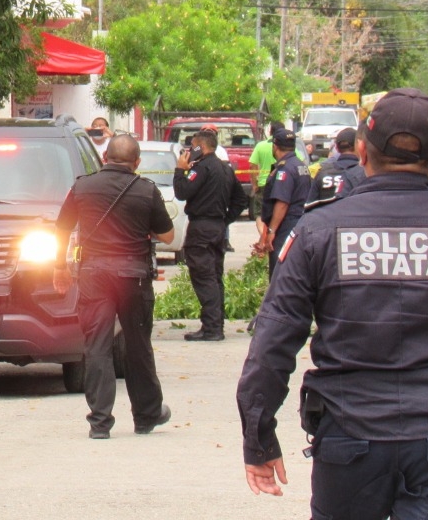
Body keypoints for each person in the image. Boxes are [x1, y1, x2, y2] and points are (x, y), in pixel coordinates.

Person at [236, 88, 428, 520]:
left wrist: (259, 436)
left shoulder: (319, 229)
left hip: (349, 439)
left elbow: (272, 341)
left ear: (363, 152)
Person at [53, 134, 174, 439]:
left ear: (104, 156)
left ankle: (100, 422)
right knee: (137, 344)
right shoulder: (146, 190)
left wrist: (59, 267)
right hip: (133, 276)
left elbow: (62, 228)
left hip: (94, 275)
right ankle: (146, 416)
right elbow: (169, 236)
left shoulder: (82, 186)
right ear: (137, 163)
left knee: (97, 345)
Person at [173, 128, 249, 341]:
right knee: (214, 277)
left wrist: (180, 170)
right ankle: (214, 324)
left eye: (194, 146)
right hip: (216, 229)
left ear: (202, 147)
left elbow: (182, 192)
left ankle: (213, 328)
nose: (191, 150)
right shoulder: (225, 169)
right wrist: (224, 220)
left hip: (202, 229)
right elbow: (240, 200)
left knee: (204, 277)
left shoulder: (203, 168)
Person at [253, 128, 310, 274]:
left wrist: (271, 232)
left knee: (280, 271)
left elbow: (282, 202)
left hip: (286, 225)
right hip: (300, 223)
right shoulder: (300, 165)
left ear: (275, 146)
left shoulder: (285, 169)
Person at [309, 126, 367, 202]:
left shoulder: (322, 173)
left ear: (336, 147)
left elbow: (310, 205)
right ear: (358, 145)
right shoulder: (365, 173)